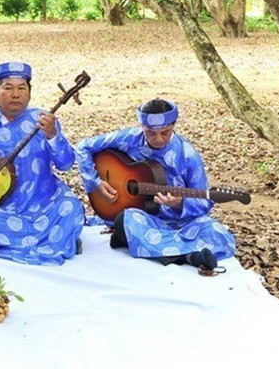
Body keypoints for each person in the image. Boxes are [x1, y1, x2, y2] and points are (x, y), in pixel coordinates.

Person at [76, 98, 236, 271]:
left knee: (218, 233)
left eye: (165, 133)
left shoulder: (187, 155)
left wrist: (179, 203)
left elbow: (204, 200)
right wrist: (96, 183)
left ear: (174, 125)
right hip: (144, 216)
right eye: (151, 133)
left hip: (180, 222)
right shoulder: (130, 138)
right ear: (142, 127)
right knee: (126, 219)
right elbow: (83, 147)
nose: (158, 139)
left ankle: (141, 243)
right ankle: (188, 255)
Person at [0, 62, 84, 265]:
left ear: (30, 92)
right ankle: (56, 239)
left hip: (45, 202)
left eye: (22, 88)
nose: (15, 94)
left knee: (72, 207)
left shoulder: (45, 121)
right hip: (2, 209)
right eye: (8, 88)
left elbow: (66, 164)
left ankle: (22, 242)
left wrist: (53, 136)